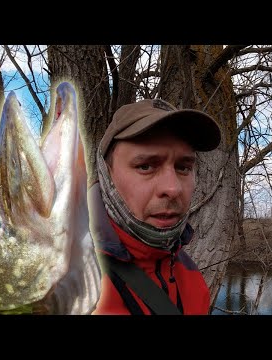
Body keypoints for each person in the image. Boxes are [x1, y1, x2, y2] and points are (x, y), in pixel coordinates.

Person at [89, 98, 221, 315]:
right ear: (106, 175)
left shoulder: (190, 275)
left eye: (183, 167)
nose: (173, 188)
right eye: (145, 166)